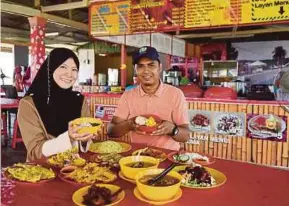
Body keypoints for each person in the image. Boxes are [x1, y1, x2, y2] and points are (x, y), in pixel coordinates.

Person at [17, 48, 97, 161]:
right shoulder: (29, 104)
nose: (69, 74)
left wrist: (85, 139)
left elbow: (84, 145)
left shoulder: (79, 100)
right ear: (50, 69)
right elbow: (35, 151)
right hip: (42, 172)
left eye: (74, 69)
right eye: (63, 67)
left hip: (76, 171)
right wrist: (68, 138)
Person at [107, 46, 189, 151]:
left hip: (167, 157)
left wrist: (173, 129)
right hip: (138, 157)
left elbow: (185, 136)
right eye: (140, 66)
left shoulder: (175, 94)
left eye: (151, 65)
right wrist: (129, 124)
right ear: (135, 70)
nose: (146, 71)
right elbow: (111, 131)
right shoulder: (128, 96)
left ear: (159, 67)